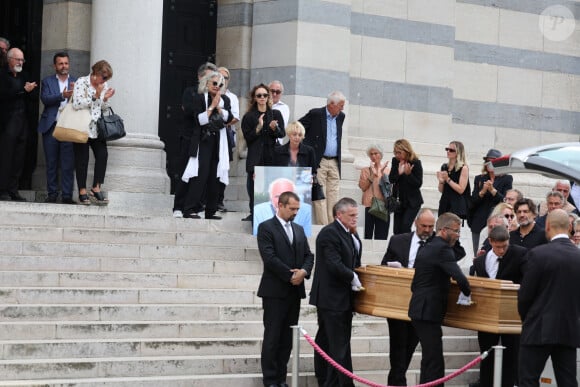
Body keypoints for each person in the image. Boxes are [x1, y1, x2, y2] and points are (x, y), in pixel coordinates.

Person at [257, 191, 314, 387]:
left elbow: (309, 255)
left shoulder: (298, 229)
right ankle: (271, 380)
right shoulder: (266, 228)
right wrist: (291, 276)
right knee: (273, 337)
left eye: (298, 209)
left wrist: (304, 272)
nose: (295, 212)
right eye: (292, 208)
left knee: (287, 340)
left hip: (294, 293)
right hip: (274, 291)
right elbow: (269, 257)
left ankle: (281, 378)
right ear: (280, 206)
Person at [408, 212, 472, 387]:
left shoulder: (427, 246)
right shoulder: (442, 249)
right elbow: (460, 278)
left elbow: (415, 284)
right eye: (456, 231)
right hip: (428, 311)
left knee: (429, 358)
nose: (458, 236)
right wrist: (467, 293)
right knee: (435, 360)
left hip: (420, 308)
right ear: (444, 230)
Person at [518, 209, 580, 387]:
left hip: (538, 327)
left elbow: (525, 296)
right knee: (568, 381)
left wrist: (527, 319)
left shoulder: (538, 254)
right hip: (569, 328)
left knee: (528, 379)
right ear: (570, 227)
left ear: (546, 225)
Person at [310, 197, 362, 387]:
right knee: (337, 345)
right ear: (339, 214)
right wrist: (352, 277)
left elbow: (354, 259)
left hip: (343, 299)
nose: (355, 218)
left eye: (356, 215)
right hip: (331, 299)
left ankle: (328, 381)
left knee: (330, 342)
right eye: (352, 215)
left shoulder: (349, 233)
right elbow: (333, 263)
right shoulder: (329, 233)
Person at [380, 208, 435, 386]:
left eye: (431, 226)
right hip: (398, 302)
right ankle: (397, 380)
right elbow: (383, 266)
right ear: (415, 224)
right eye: (424, 226)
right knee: (397, 345)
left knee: (410, 345)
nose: (427, 230)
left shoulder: (438, 244)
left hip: (421, 305)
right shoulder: (398, 241)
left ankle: (396, 380)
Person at [472, 225, 527, 387]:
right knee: (486, 356)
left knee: (512, 356)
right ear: (490, 242)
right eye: (497, 247)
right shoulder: (480, 261)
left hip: (511, 316)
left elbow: (527, 279)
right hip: (487, 316)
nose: (501, 250)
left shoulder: (520, 254)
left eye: (504, 246)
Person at [179, 71, 232, 220]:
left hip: (218, 141)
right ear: (207, 83)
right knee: (200, 175)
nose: (217, 86)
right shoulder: (199, 98)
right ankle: (189, 209)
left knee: (216, 176)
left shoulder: (225, 99)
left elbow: (230, 118)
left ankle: (211, 210)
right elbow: (199, 120)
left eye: (220, 84)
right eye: (214, 83)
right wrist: (211, 107)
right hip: (203, 140)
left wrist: (220, 108)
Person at [172, 62, 219, 218]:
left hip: (206, 140)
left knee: (202, 175)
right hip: (190, 137)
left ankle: (195, 205)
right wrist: (210, 108)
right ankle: (178, 207)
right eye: (209, 77)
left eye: (214, 78)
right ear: (200, 77)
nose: (212, 81)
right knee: (186, 172)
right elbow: (191, 113)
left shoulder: (215, 95)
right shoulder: (191, 92)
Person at [71, 60, 115, 205]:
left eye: (107, 78)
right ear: (95, 73)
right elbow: (76, 104)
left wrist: (106, 99)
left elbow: (103, 108)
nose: (105, 81)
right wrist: (95, 96)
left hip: (97, 127)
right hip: (82, 125)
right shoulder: (81, 82)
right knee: (82, 159)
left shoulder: (103, 86)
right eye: (104, 77)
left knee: (103, 155)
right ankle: (82, 192)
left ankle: (96, 188)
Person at [300, 91, 346, 225]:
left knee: (334, 196)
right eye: (341, 105)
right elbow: (298, 127)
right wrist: (308, 149)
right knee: (320, 195)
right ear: (331, 104)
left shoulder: (341, 116)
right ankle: (323, 227)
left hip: (335, 161)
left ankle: (333, 226)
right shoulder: (316, 114)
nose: (342, 108)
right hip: (319, 160)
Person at [241, 84, 285, 222]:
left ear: (268, 97)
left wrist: (275, 128)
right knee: (253, 188)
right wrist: (258, 127)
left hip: (271, 156)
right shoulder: (249, 116)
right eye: (259, 95)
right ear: (254, 98)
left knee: (270, 189)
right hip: (255, 157)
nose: (262, 98)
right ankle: (254, 214)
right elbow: (248, 138)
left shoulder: (275, 114)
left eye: (265, 95)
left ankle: (271, 216)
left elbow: (282, 133)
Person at [37, 52, 76, 204]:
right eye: (60, 63)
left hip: (68, 127)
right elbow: (45, 99)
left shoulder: (76, 81)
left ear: (69, 64)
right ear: (55, 66)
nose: (64, 66)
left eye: (66, 63)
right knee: (51, 162)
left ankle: (67, 196)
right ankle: (52, 194)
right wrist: (62, 95)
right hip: (51, 127)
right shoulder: (47, 81)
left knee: (68, 163)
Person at [0, 47, 38, 202]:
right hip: (7, 123)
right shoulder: (2, 76)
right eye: (18, 59)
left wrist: (30, 91)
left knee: (19, 158)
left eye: (22, 59)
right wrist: (23, 91)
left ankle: (13, 190)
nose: (21, 62)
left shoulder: (25, 76)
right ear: (9, 60)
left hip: (23, 122)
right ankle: (2, 189)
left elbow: (34, 96)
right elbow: (3, 96)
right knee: (5, 157)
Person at [469, 149, 513, 254]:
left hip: (497, 222)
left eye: (493, 161)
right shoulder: (479, 179)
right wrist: (483, 191)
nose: (490, 164)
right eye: (488, 161)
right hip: (479, 222)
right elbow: (472, 201)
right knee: (479, 252)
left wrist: (493, 191)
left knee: (497, 250)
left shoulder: (507, 179)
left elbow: (505, 201)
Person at [216, 66, 240, 212]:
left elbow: (235, 117)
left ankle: (219, 200)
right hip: (210, 137)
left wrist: (222, 123)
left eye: (225, 78)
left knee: (223, 169)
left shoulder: (232, 97)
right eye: (219, 77)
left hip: (225, 136)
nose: (222, 80)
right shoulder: (209, 94)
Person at [389, 139, 424, 234]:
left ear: (406, 151)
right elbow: (391, 179)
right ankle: (398, 248)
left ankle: (407, 247)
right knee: (396, 230)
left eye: (399, 153)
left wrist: (409, 174)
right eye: (395, 153)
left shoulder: (415, 162)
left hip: (413, 202)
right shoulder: (395, 161)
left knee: (405, 227)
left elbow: (418, 183)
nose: (397, 155)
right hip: (399, 201)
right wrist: (399, 173)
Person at [358, 144, 390, 240]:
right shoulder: (365, 170)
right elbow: (363, 187)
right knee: (368, 235)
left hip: (383, 206)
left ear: (380, 155)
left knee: (381, 236)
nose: (373, 156)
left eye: (376, 153)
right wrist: (372, 175)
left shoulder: (387, 170)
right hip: (369, 205)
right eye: (371, 154)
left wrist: (383, 174)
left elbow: (389, 189)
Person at [437, 141, 470, 223]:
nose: (448, 151)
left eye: (451, 150)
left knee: (452, 231)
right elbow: (441, 190)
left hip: (456, 206)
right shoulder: (444, 166)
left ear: (458, 153)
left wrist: (448, 179)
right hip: (444, 203)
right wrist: (441, 181)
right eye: (447, 149)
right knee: (441, 228)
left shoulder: (463, 168)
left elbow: (461, 189)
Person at [269, 80, 290, 145]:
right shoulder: (260, 105)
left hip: (274, 143)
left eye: (277, 92)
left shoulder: (284, 107)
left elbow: (279, 126)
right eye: (272, 91)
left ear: (281, 94)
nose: (274, 94)